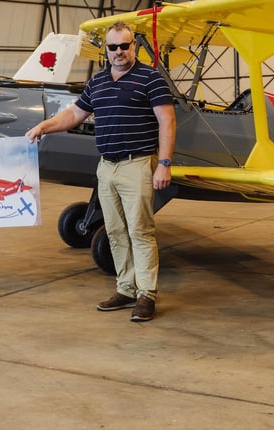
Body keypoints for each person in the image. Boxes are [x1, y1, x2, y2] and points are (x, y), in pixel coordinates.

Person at [26, 22, 176, 322]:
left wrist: (164, 163)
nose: (119, 51)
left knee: (140, 231)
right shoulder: (97, 82)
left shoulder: (151, 78)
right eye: (113, 47)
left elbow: (167, 121)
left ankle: (147, 294)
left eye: (125, 45)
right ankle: (125, 289)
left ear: (133, 46)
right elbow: (74, 114)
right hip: (106, 166)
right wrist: (45, 125)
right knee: (116, 231)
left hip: (138, 164)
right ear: (105, 50)